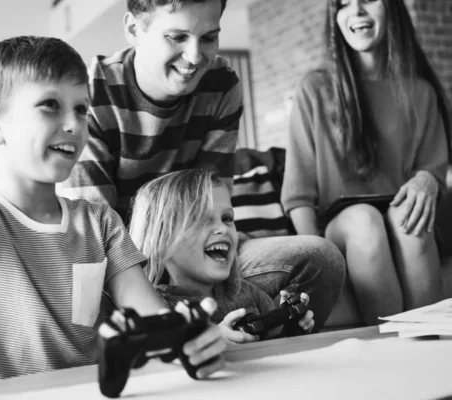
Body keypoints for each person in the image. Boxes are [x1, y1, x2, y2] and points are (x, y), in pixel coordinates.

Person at [0, 0, 226, 396]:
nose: (73, 124)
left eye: (81, 109)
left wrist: (190, 341)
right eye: (50, 107)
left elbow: (151, 316)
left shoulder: (100, 223)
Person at [57, 0, 347, 331]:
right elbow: (99, 234)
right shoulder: (89, 94)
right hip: (126, 262)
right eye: (176, 37)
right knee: (92, 302)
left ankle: (255, 334)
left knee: (321, 259)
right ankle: (204, 328)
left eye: (208, 38)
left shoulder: (221, 83)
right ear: (134, 30)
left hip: (198, 246)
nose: (195, 57)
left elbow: (215, 197)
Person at [281, 0, 451, 326]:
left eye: (367, 0)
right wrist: (319, 263)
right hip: (341, 227)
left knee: (409, 222)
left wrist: (427, 178)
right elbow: (298, 196)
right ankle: (387, 348)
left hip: (399, 215)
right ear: (336, 18)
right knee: (364, 222)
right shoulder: (314, 89)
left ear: (391, 9)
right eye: (344, 4)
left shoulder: (421, 92)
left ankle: (427, 344)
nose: (356, 11)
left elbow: (433, 168)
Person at [129, 167, 317, 344]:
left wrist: (289, 326)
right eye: (202, 219)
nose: (222, 228)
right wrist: (216, 343)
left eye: (227, 219)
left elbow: (277, 348)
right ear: (162, 241)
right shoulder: (157, 307)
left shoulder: (247, 292)